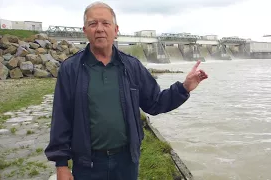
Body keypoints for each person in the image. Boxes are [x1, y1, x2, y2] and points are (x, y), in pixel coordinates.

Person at [44, 1, 208, 180]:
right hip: (87, 164)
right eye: (93, 23)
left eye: (105, 23)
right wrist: (61, 165)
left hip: (126, 162)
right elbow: (61, 117)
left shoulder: (132, 66)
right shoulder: (70, 69)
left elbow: (155, 103)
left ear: (116, 30)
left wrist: (184, 88)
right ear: (85, 30)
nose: (99, 29)